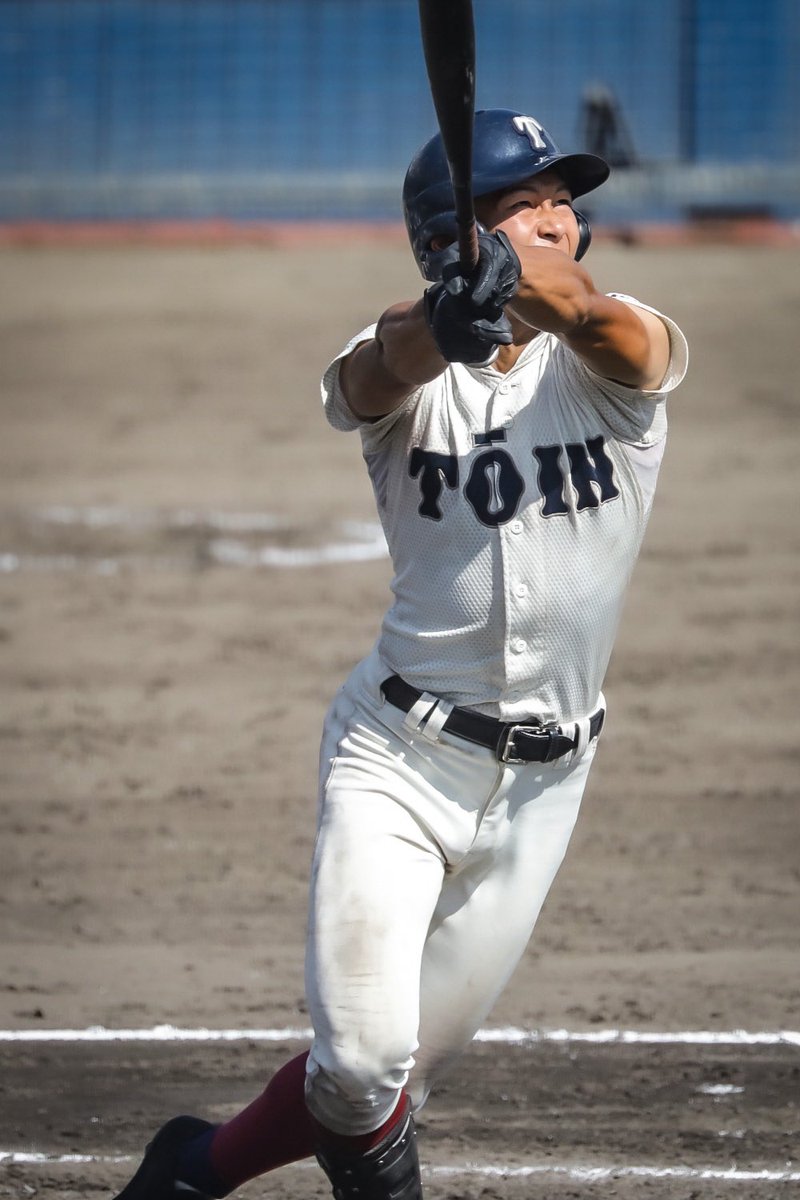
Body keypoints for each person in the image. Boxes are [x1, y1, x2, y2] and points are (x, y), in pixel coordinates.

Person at [111, 109, 688, 1200]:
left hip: (544, 791)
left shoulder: (619, 357)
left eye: (566, 200)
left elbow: (598, 323)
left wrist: (514, 275)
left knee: (375, 1087)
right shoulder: (405, 379)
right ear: (447, 241)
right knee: (368, 1066)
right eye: (528, 202)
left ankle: (192, 1167)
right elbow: (375, 368)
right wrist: (441, 324)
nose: (562, 218)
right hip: (396, 761)